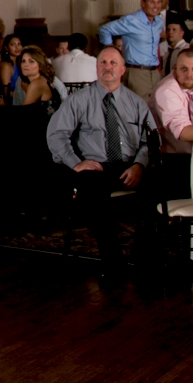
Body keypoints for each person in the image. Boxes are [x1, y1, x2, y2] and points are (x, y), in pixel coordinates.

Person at [46, 47, 157, 283]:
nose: (108, 67)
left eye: (113, 63)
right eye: (103, 63)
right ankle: (113, 262)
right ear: (97, 68)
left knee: (160, 188)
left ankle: (144, 260)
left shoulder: (137, 103)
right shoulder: (78, 100)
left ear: (123, 70)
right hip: (95, 166)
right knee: (92, 192)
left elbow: (151, 140)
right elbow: (56, 134)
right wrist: (76, 163)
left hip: (129, 165)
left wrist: (139, 164)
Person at [98, 0, 165, 100]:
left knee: (155, 111)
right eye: (152, 2)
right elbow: (104, 30)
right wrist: (111, 50)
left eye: (158, 2)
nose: (156, 6)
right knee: (140, 112)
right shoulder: (132, 20)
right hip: (137, 73)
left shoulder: (159, 22)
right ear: (142, 3)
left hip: (155, 73)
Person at [159, 12, 191, 77]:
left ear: (182, 33)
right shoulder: (167, 51)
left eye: (174, 30)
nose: (170, 32)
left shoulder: (187, 49)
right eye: (168, 30)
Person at [0, 33, 23, 103]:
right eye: (13, 45)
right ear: (6, 48)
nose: (17, 47)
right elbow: (6, 93)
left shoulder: (21, 63)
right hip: (12, 104)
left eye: (19, 44)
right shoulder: (6, 66)